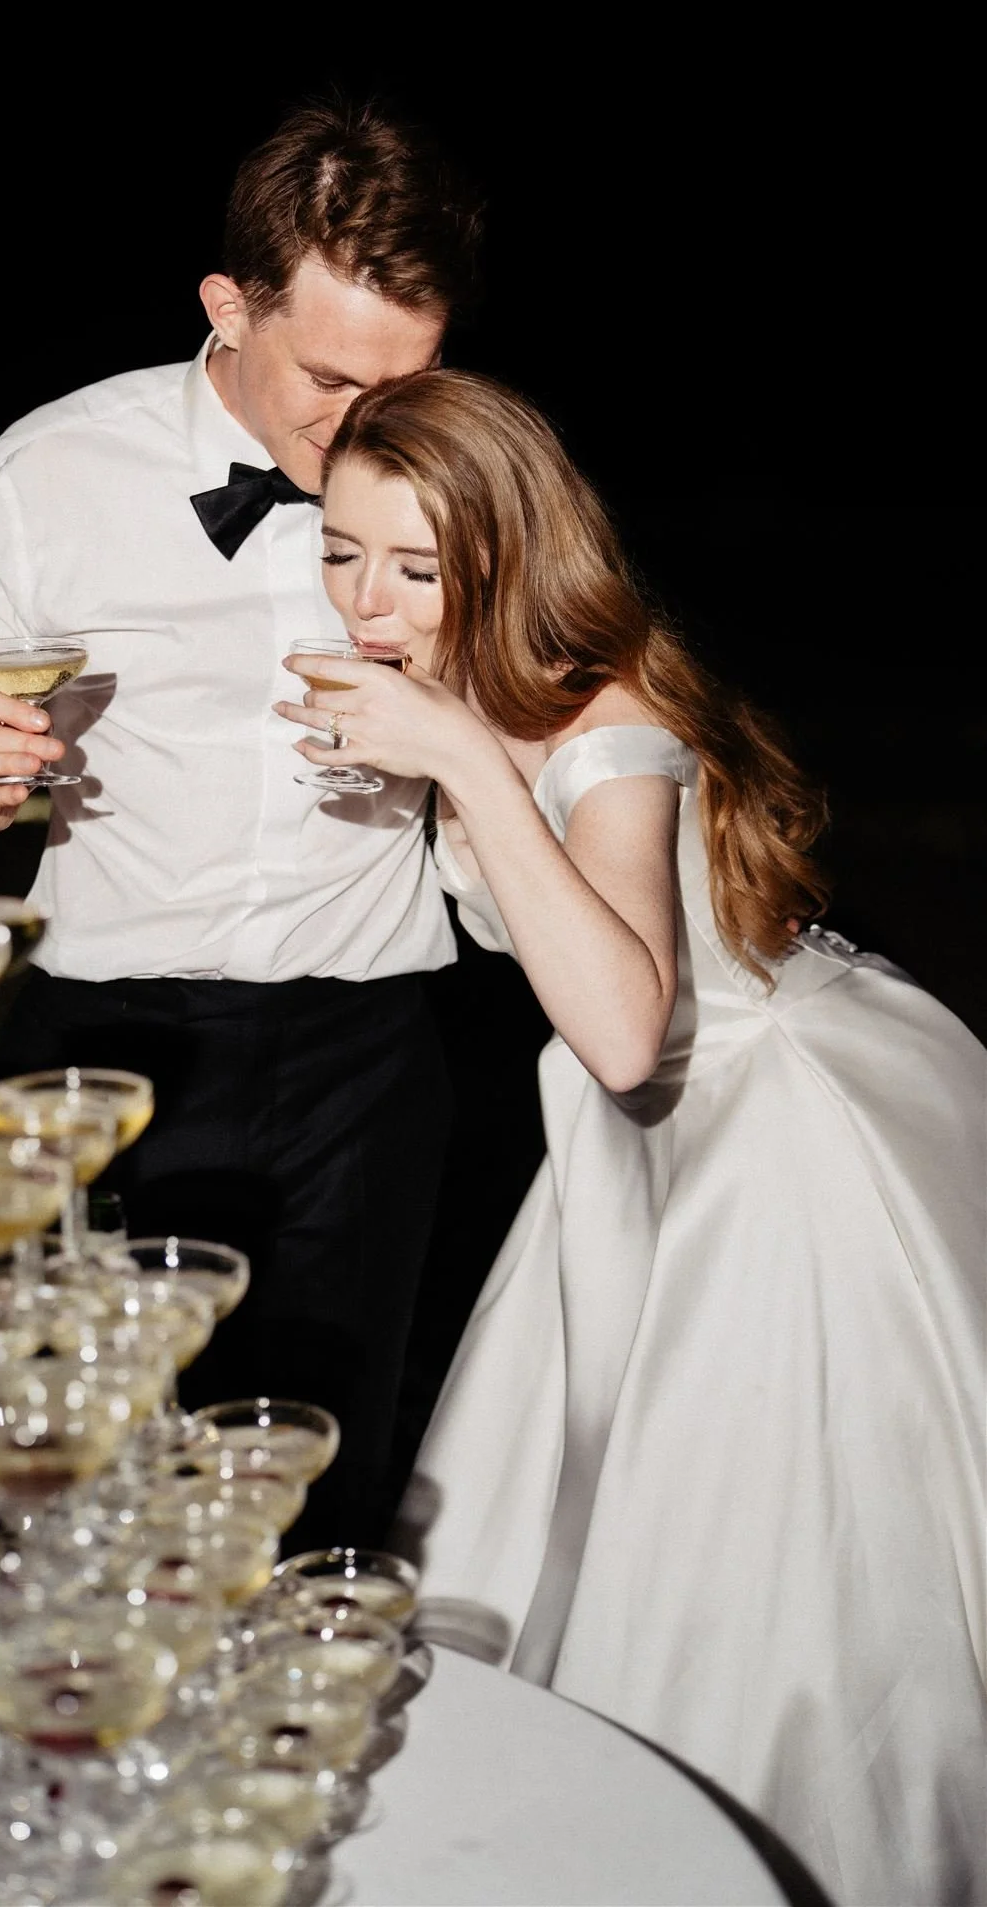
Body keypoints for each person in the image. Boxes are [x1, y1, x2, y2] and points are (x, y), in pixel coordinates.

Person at [274, 367, 986, 1907]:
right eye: (339, 550)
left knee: (748, 1559)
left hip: (771, 1145)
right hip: (623, 1149)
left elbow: (619, 1029)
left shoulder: (611, 730)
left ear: (506, 557)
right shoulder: (449, 676)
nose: (366, 601)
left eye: (416, 568)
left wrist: (464, 764)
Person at [0, 95, 484, 1546]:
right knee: (91, 1485)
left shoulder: (470, 474)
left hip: (370, 1044)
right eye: (329, 377)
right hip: (115, 1044)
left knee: (326, 1483)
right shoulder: (48, 475)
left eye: (408, 378)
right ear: (228, 306)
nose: (370, 422)